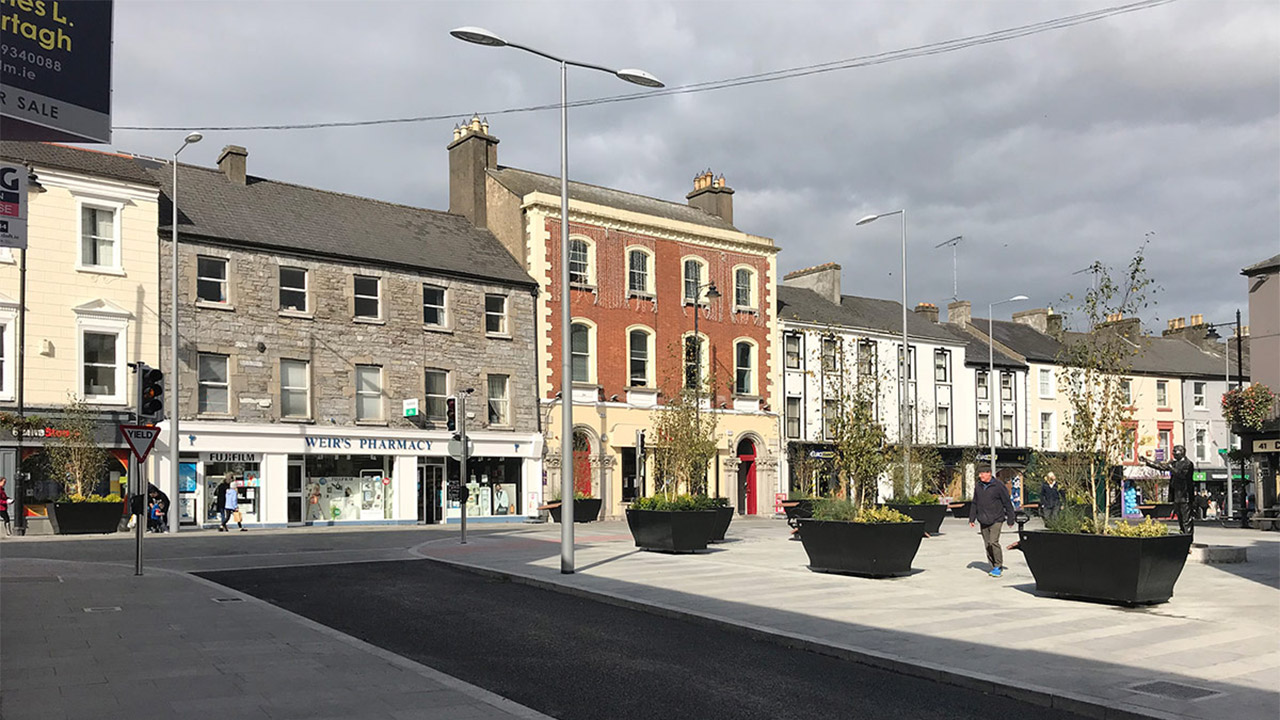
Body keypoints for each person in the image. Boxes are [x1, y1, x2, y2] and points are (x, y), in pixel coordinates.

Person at [969, 468, 1017, 577]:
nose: (980, 476)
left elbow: (1007, 502)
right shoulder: (978, 486)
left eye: (982, 473)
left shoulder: (998, 486)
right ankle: (993, 565)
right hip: (983, 519)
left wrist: (1011, 518)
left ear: (989, 473)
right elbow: (974, 502)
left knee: (993, 542)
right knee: (987, 544)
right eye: (979, 474)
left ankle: (998, 566)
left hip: (996, 518)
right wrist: (972, 518)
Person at [1142, 445, 1195, 536]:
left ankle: (1188, 536)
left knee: (1186, 518)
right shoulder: (1174, 463)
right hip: (1176, 494)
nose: (1173, 453)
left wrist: (1171, 467)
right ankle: (1183, 535)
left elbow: (1182, 475)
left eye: (1175, 451)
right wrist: (1147, 461)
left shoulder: (1188, 464)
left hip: (1184, 495)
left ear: (1182, 452)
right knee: (1180, 517)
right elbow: (1161, 466)